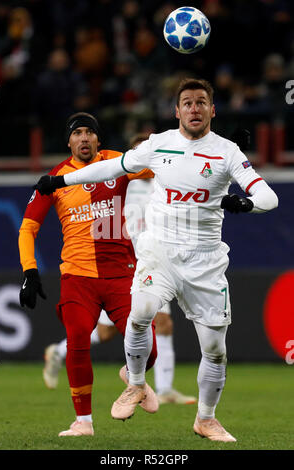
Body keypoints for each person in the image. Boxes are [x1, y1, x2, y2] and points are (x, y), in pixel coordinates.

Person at [34, 78, 279, 442]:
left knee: (215, 351)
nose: (194, 109)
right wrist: (61, 182)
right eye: (187, 103)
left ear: (212, 110)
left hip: (206, 262)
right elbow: (111, 168)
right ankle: (135, 384)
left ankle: (206, 419)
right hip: (159, 252)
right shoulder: (158, 145)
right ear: (176, 111)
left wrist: (246, 203)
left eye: (201, 103)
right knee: (141, 314)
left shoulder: (227, 152)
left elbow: (268, 196)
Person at [19, 112, 159, 437]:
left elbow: (162, 168)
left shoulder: (117, 163)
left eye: (89, 133)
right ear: (68, 141)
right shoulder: (55, 179)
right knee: (78, 340)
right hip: (78, 277)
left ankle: (133, 376)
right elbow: (28, 229)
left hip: (122, 274)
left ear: (98, 139)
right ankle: (84, 422)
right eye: (77, 133)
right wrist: (30, 270)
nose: (84, 138)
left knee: (148, 347)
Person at [43, 132, 197, 405]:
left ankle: (163, 388)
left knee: (161, 324)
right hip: (126, 266)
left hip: (152, 264)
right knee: (110, 332)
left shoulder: (162, 185)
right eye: (140, 152)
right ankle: (59, 351)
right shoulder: (124, 182)